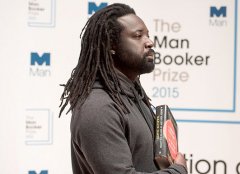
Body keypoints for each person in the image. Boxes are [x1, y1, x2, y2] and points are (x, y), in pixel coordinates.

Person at [59, 3, 187, 174]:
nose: (150, 42)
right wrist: (178, 171)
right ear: (111, 45)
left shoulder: (134, 96)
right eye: (138, 36)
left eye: (148, 35)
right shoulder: (98, 107)